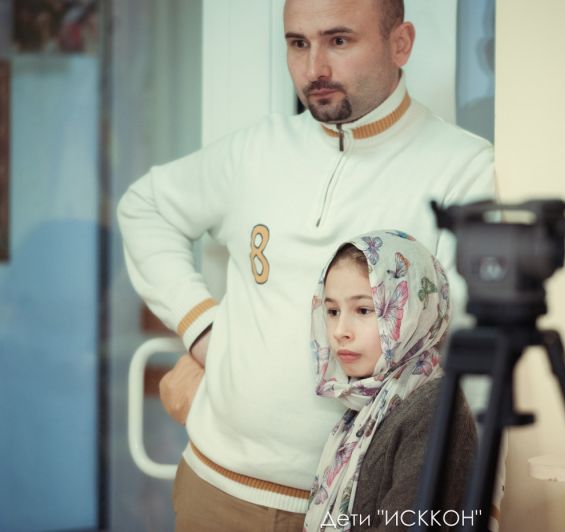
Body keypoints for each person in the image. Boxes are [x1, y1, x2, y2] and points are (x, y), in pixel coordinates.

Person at [117, 0, 495, 530]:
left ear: (400, 43)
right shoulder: (256, 150)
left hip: (358, 507)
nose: (314, 67)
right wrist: (200, 326)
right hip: (215, 490)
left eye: (339, 41)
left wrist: (472, 505)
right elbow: (145, 206)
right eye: (298, 43)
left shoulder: (463, 169)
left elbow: (472, 358)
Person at [305, 232, 476, 532]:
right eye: (332, 311)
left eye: (364, 310)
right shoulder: (366, 404)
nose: (340, 331)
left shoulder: (435, 411)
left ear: (413, 312)